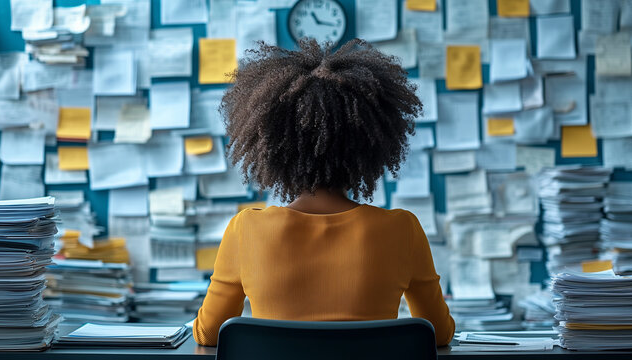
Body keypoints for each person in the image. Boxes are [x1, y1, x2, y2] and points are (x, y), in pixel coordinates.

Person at [193, 38, 455, 347]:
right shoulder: (402, 229)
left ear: (273, 147)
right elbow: (439, 333)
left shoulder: (246, 229)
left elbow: (209, 334)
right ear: (371, 144)